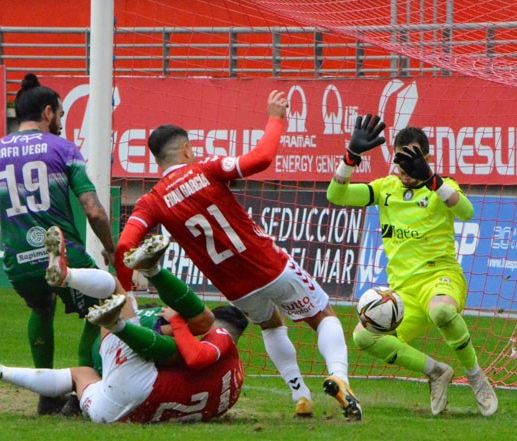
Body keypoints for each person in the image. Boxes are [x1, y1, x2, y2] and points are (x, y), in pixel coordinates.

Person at [115, 90, 362, 421]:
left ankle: (299, 393)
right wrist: (276, 117)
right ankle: (339, 377)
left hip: (235, 287)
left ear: (157, 160)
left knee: (271, 325)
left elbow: (124, 247)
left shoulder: (151, 201)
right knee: (323, 315)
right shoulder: (206, 168)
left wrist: (127, 290)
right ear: (186, 149)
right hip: (268, 264)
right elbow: (261, 159)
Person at [0, 73, 116, 415]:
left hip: (19, 260)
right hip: (63, 254)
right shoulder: (63, 149)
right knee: (106, 306)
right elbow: (94, 211)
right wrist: (110, 247)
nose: (62, 124)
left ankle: (47, 396)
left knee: (42, 309)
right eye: (62, 117)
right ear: (49, 113)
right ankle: (87, 386)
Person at [325, 115, 498, 417]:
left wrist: (432, 180)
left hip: (441, 277)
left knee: (442, 311)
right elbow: (336, 195)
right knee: (363, 336)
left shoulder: (441, 187)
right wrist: (350, 158)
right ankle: (436, 372)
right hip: (404, 294)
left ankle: (475, 377)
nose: (404, 169)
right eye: (399, 161)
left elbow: (467, 211)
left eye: (411, 160)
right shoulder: (385, 189)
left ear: (427, 158)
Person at [0, 244, 249, 424]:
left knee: (114, 287)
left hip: (135, 380)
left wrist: (176, 323)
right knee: (79, 374)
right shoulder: (233, 387)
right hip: (113, 413)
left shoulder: (218, 337)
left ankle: (69, 277)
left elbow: (196, 354)